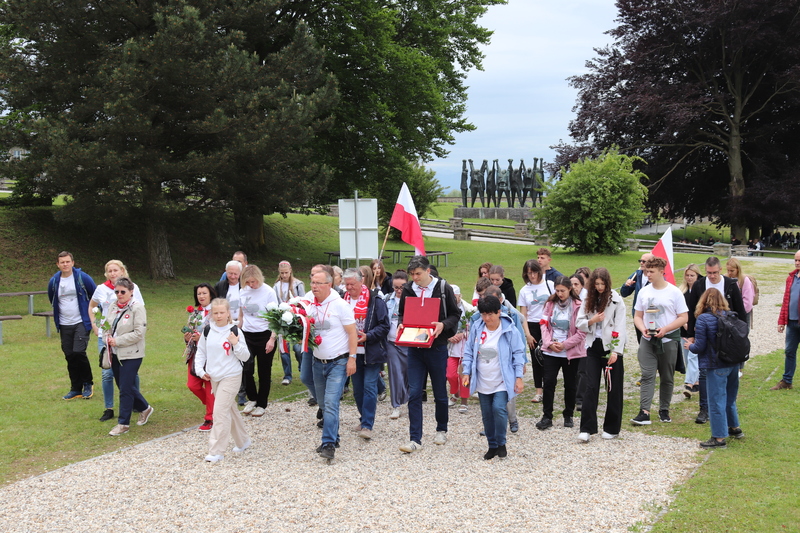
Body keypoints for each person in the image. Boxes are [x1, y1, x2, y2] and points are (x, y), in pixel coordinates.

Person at [397, 256, 461, 453]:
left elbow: (455, 314)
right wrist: (401, 323)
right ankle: (415, 438)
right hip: (414, 347)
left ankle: (441, 428)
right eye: (412, 274)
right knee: (415, 392)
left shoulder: (443, 288)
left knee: (440, 392)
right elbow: (402, 313)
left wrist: (443, 325)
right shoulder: (408, 289)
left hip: (437, 346)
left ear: (427, 271)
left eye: (418, 274)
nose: (414, 278)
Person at [461, 296, 525, 460]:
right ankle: (492, 445)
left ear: (499, 312)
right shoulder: (477, 327)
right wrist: (466, 371)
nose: (487, 318)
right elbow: (468, 351)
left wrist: (518, 377)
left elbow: (519, 353)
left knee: (499, 409)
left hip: (502, 379)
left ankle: (502, 442)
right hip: (483, 379)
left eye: (490, 315)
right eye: (483, 315)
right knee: (487, 414)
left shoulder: (510, 329)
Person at [685, 257, 746, 423]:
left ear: (720, 270)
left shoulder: (730, 285)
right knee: (704, 370)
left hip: (728, 335)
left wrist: (742, 336)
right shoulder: (699, 285)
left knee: (728, 370)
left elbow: (740, 311)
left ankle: (727, 408)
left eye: (715, 273)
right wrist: (691, 334)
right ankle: (704, 408)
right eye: (709, 273)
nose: (712, 276)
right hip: (705, 332)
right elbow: (691, 311)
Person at [631, 257, 689, 425]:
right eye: (646, 271)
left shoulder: (674, 292)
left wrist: (666, 329)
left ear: (662, 272)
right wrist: (642, 328)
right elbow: (638, 316)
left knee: (667, 376)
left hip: (668, 341)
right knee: (647, 374)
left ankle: (664, 409)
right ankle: (644, 412)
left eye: (651, 271)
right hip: (647, 340)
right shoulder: (644, 291)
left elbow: (683, 317)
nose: (647, 274)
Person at [308, 269, 358, 461]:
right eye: (312, 283)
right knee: (322, 402)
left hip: (338, 361)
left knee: (330, 402)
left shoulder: (340, 306)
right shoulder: (310, 306)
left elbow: (352, 333)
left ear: (328, 285)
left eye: (318, 284)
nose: (314, 287)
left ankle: (328, 443)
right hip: (317, 361)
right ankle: (334, 437)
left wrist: (352, 358)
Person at [195, 298, 251, 462]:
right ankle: (243, 440)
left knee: (219, 412)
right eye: (215, 312)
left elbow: (245, 356)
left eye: (222, 312)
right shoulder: (207, 330)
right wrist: (200, 371)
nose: (219, 316)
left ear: (228, 313)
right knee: (230, 409)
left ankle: (216, 451)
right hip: (214, 377)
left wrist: (236, 344)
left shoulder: (235, 331)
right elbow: (201, 353)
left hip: (231, 375)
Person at [686, 289, 744, 448]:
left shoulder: (704, 318)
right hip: (733, 364)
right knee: (730, 398)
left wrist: (690, 346)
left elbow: (700, 346)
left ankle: (718, 438)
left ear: (703, 301)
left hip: (716, 365)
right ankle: (735, 427)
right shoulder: (730, 315)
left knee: (716, 401)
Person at [90, 259, 145, 421]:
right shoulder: (101, 289)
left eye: (116, 270)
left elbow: (140, 309)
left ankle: (137, 403)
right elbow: (92, 306)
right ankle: (109, 408)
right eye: (110, 271)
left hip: (126, 335)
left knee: (129, 374)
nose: (113, 273)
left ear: (122, 271)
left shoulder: (132, 288)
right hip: (107, 336)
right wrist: (95, 325)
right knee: (107, 373)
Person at [576, 268, 627, 442]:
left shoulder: (616, 299)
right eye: (596, 284)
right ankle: (587, 428)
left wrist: (616, 351)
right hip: (593, 345)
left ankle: (612, 427)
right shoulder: (588, 298)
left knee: (613, 387)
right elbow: (579, 322)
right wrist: (592, 321)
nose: (599, 287)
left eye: (602, 284)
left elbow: (620, 326)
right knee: (590, 386)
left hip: (610, 347)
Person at [343, 268, 389, 440]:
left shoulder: (375, 300)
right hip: (351, 352)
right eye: (346, 284)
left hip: (371, 350)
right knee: (358, 390)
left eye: (352, 284)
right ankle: (363, 419)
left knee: (370, 387)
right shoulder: (343, 300)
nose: (349, 288)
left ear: (361, 282)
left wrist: (368, 336)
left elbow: (384, 326)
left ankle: (368, 425)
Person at [536, 276, 586, 430]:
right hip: (551, 351)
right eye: (557, 290)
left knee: (570, 385)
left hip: (569, 352)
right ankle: (547, 416)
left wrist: (564, 345)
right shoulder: (550, 304)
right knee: (549, 382)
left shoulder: (579, 306)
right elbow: (543, 325)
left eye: (562, 291)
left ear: (570, 289)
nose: (559, 294)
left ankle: (568, 414)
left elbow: (581, 333)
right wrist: (549, 343)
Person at [105, 277, 153, 436]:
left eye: (123, 292)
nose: (119, 294)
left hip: (132, 353)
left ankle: (123, 423)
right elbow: (107, 324)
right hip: (115, 353)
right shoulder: (112, 306)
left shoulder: (137, 308)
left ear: (131, 292)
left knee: (125, 389)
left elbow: (139, 333)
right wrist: (106, 335)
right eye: (116, 291)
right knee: (124, 385)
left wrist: (117, 341)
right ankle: (145, 408)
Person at [48, 251, 97, 401]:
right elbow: (52, 298)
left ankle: (88, 383)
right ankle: (75, 388)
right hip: (64, 324)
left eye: (68, 261)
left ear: (73, 262)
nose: (65, 264)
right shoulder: (54, 281)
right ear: (58, 264)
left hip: (81, 322)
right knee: (69, 355)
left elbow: (96, 296)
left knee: (78, 352)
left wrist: (96, 320)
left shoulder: (83, 278)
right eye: (62, 262)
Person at [238, 265, 279, 417]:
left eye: (253, 282)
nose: (251, 285)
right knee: (246, 368)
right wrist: (237, 330)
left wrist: (272, 339)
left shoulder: (268, 292)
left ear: (259, 278)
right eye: (248, 282)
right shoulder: (243, 291)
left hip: (265, 334)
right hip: (247, 334)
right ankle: (252, 398)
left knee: (264, 370)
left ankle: (262, 403)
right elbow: (242, 315)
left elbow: (276, 318)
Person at [518, 259, 554, 403]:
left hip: (549, 324)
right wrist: (527, 334)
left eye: (534, 272)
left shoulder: (549, 285)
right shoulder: (524, 290)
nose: (532, 276)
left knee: (549, 357)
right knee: (536, 358)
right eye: (529, 273)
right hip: (533, 325)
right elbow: (523, 315)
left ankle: (549, 387)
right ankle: (538, 390)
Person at [183, 283, 217, 432]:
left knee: (210, 387)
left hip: (212, 356)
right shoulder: (194, 313)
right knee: (193, 385)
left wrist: (201, 338)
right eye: (199, 294)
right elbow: (190, 332)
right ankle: (215, 405)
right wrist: (187, 337)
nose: (201, 296)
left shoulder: (217, 312)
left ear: (210, 294)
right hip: (195, 355)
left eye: (204, 293)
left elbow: (219, 334)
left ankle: (210, 417)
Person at [215, 259, 245, 404]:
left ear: (240, 273)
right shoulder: (220, 286)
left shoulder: (245, 286)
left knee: (242, 357)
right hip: (225, 325)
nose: (232, 276)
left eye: (235, 274)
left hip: (242, 325)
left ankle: (242, 391)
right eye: (230, 273)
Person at [273, 261, 306, 386]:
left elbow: (303, 301)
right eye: (282, 273)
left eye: (286, 273)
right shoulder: (277, 285)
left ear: (290, 270)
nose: (284, 275)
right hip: (282, 320)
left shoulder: (298, 284)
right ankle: (287, 375)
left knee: (298, 348)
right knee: (284, 349)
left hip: (296, 319)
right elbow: (274, 301)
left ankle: (302, 369)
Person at [384, 271, 410, 419]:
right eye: (396, 287)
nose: (399, 290)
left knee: (407, 374)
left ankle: (406, 397)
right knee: (395, 374)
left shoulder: (413, 300)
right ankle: (396, 405)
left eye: (402, 287)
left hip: (408, 343)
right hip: (392, 342)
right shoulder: (388, 300)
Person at [773, 250, 800, 390]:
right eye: (795, 260)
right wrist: (781, 321)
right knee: (789, 351)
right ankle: (787, 381)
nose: (796, 263)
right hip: (792, 322)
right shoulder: (791, 277)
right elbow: (786, 300)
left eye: (799, 261)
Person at [446, 285, 474, 414]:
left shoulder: (469, 309)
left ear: (459, 296)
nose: (453, 299)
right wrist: (448, 337)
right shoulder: (445, 308)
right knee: (450, 374)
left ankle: (464, 401)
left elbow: (474, 329)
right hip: (452, 349)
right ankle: (455, 392)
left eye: (454, 296)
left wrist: (463, 334)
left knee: (464, 375)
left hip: (465, 348)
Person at [679, 264, 702, 399]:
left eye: (692, 275)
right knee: (688, 357)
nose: (689, 278)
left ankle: (688, 383)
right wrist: (684, 323)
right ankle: (696, 380)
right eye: (687, 275)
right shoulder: (682, 291)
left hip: (697, 328)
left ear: (697, 276)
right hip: (684, 327)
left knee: (693, 355)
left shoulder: (701, 290)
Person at [620, 252, 654, 343]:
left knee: (652, 340)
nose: (641, 263)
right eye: (640, 261)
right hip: (638, 314)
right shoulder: (637, 275)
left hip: (652, 315)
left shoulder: (656, 278)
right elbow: (624, 293)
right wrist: (626, 285)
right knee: (641, 341)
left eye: (644, 261)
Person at [726, 258, 755, 327]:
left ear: (738, 269)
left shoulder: (744, 280)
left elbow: (748, 300)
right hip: (728, 312)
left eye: (732, 271)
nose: (729, 273)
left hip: (743, 312)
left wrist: (740, 312)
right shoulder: (725, 278)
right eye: (728, 270)